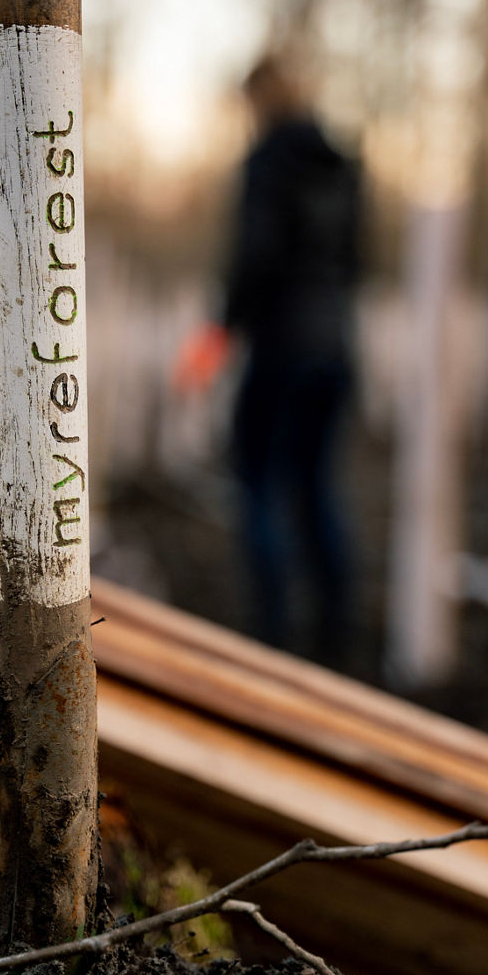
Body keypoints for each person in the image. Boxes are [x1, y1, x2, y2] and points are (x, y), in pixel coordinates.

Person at [175, 55, 362, 660]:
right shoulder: (345, 166)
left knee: (257, 482)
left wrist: (219, 331)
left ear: (258, 100)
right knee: (316, 485)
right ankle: (336, 631)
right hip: (336, 349)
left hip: (281, 348)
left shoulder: (267, 162)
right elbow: (357, 261)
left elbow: (256, 256)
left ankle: (272, 634)